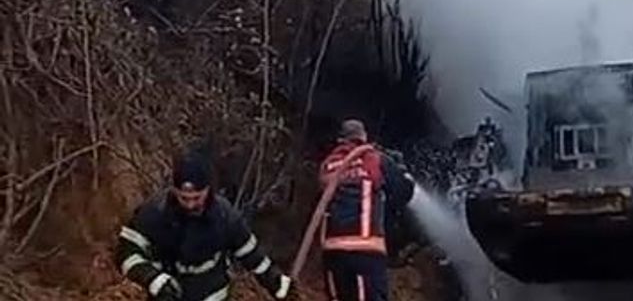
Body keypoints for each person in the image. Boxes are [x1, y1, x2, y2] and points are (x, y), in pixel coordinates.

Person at [115, 150, 292, 300]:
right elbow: (126, 254)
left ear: (208, 189)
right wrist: (153, 279)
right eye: (184, 198)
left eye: (197, 198)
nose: (190, 205)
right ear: (174, 190)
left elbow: (250, 254)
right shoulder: (153, 214)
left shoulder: (225, 216)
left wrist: (277, 282)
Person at [318, 119, 416, 301]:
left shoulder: (328, 165)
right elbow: (403, 192)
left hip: (333, 253)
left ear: (341, 140)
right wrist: (402, 171)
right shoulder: (374, 158)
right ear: (363, 137)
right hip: (365, 251)